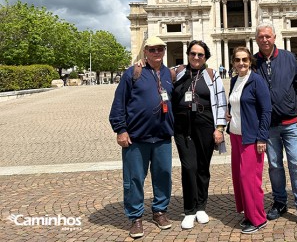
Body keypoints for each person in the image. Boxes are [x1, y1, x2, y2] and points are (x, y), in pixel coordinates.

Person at [108, 36, 174, 239]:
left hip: (162, 136)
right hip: (136, 137)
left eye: (160, 49)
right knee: (134, 178)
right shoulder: (133, 73)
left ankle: (159, 211)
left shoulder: (169, 74)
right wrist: (120, 129)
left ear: (164, 51)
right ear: (145, 51)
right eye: (152, 49)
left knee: (163, 175)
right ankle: (135, 217)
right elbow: (119, 103)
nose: (157, 53)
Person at [254, 22, 297, 231]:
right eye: (261, 36)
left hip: (291, 122)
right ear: (256, 39)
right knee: (274, 166)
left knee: (296, 164)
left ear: (275, 37)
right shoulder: (253, 62)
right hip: (268, 125)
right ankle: (280, 202)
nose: (265, 39)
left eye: (268, 36)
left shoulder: (289, 58)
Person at [172, 40, 227, 230]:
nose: (196, 57)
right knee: (189, 167)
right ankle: (189, 210)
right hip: (182, 127)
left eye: (200, 55)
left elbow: (221, 102)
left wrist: (219, 128)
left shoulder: (212, 75)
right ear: (188, 54)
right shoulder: (177, 71)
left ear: (205, 57)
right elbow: (157, 72)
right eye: (193, 53)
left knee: (203, 167)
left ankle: (201, 207)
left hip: (205, 125)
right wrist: (142, 62)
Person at [226, 47, 272, 234]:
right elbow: (236, 103)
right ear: (233, 62)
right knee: (239, 178)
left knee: (250, 179)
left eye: (245, 60)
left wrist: (262, 137)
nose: (241, 63)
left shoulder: (256, 80)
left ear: (250, 61)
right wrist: (229, 113)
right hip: (236, 135)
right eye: (237, 60)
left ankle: (258, 219)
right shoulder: (235, 80)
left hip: (252, 138)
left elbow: (266, 110)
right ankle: (249, 213)